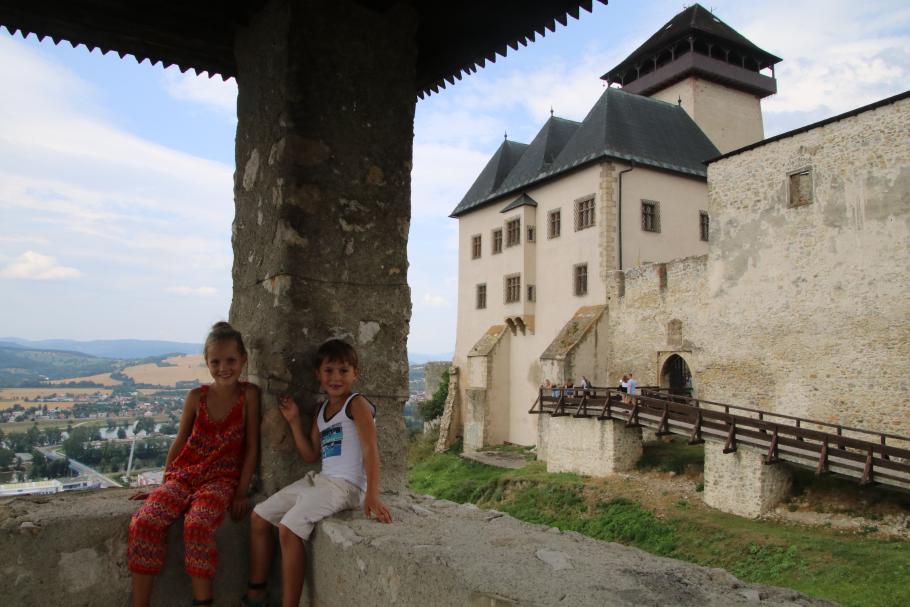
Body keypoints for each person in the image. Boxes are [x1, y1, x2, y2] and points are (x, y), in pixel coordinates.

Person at [243, 339, 392, 607]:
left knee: (288, 528)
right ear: (317, 374)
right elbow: (311, 454)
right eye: (329, 370)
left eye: (344, 371)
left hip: (346, 486)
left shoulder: (356, 404)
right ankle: (256, 593)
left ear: (355, 374)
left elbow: (371, 449)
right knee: (259, 516)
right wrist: (293, 421)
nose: (336, 377)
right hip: (321, 481)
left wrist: (372, 494)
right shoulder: (321, 411)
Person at [128, 322, 260, 607]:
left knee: (198, 525)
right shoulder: (196, 398)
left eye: (231, 361)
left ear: (244, 360)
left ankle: (203, 603)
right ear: (207, 362)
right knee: (146, 521)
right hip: (184, 475)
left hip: (221, 479)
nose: (224, 368)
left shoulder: (248, 396)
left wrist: (241, 491)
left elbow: (252, 447)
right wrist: (163, 485)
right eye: (216, 362)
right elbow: (180, 442)